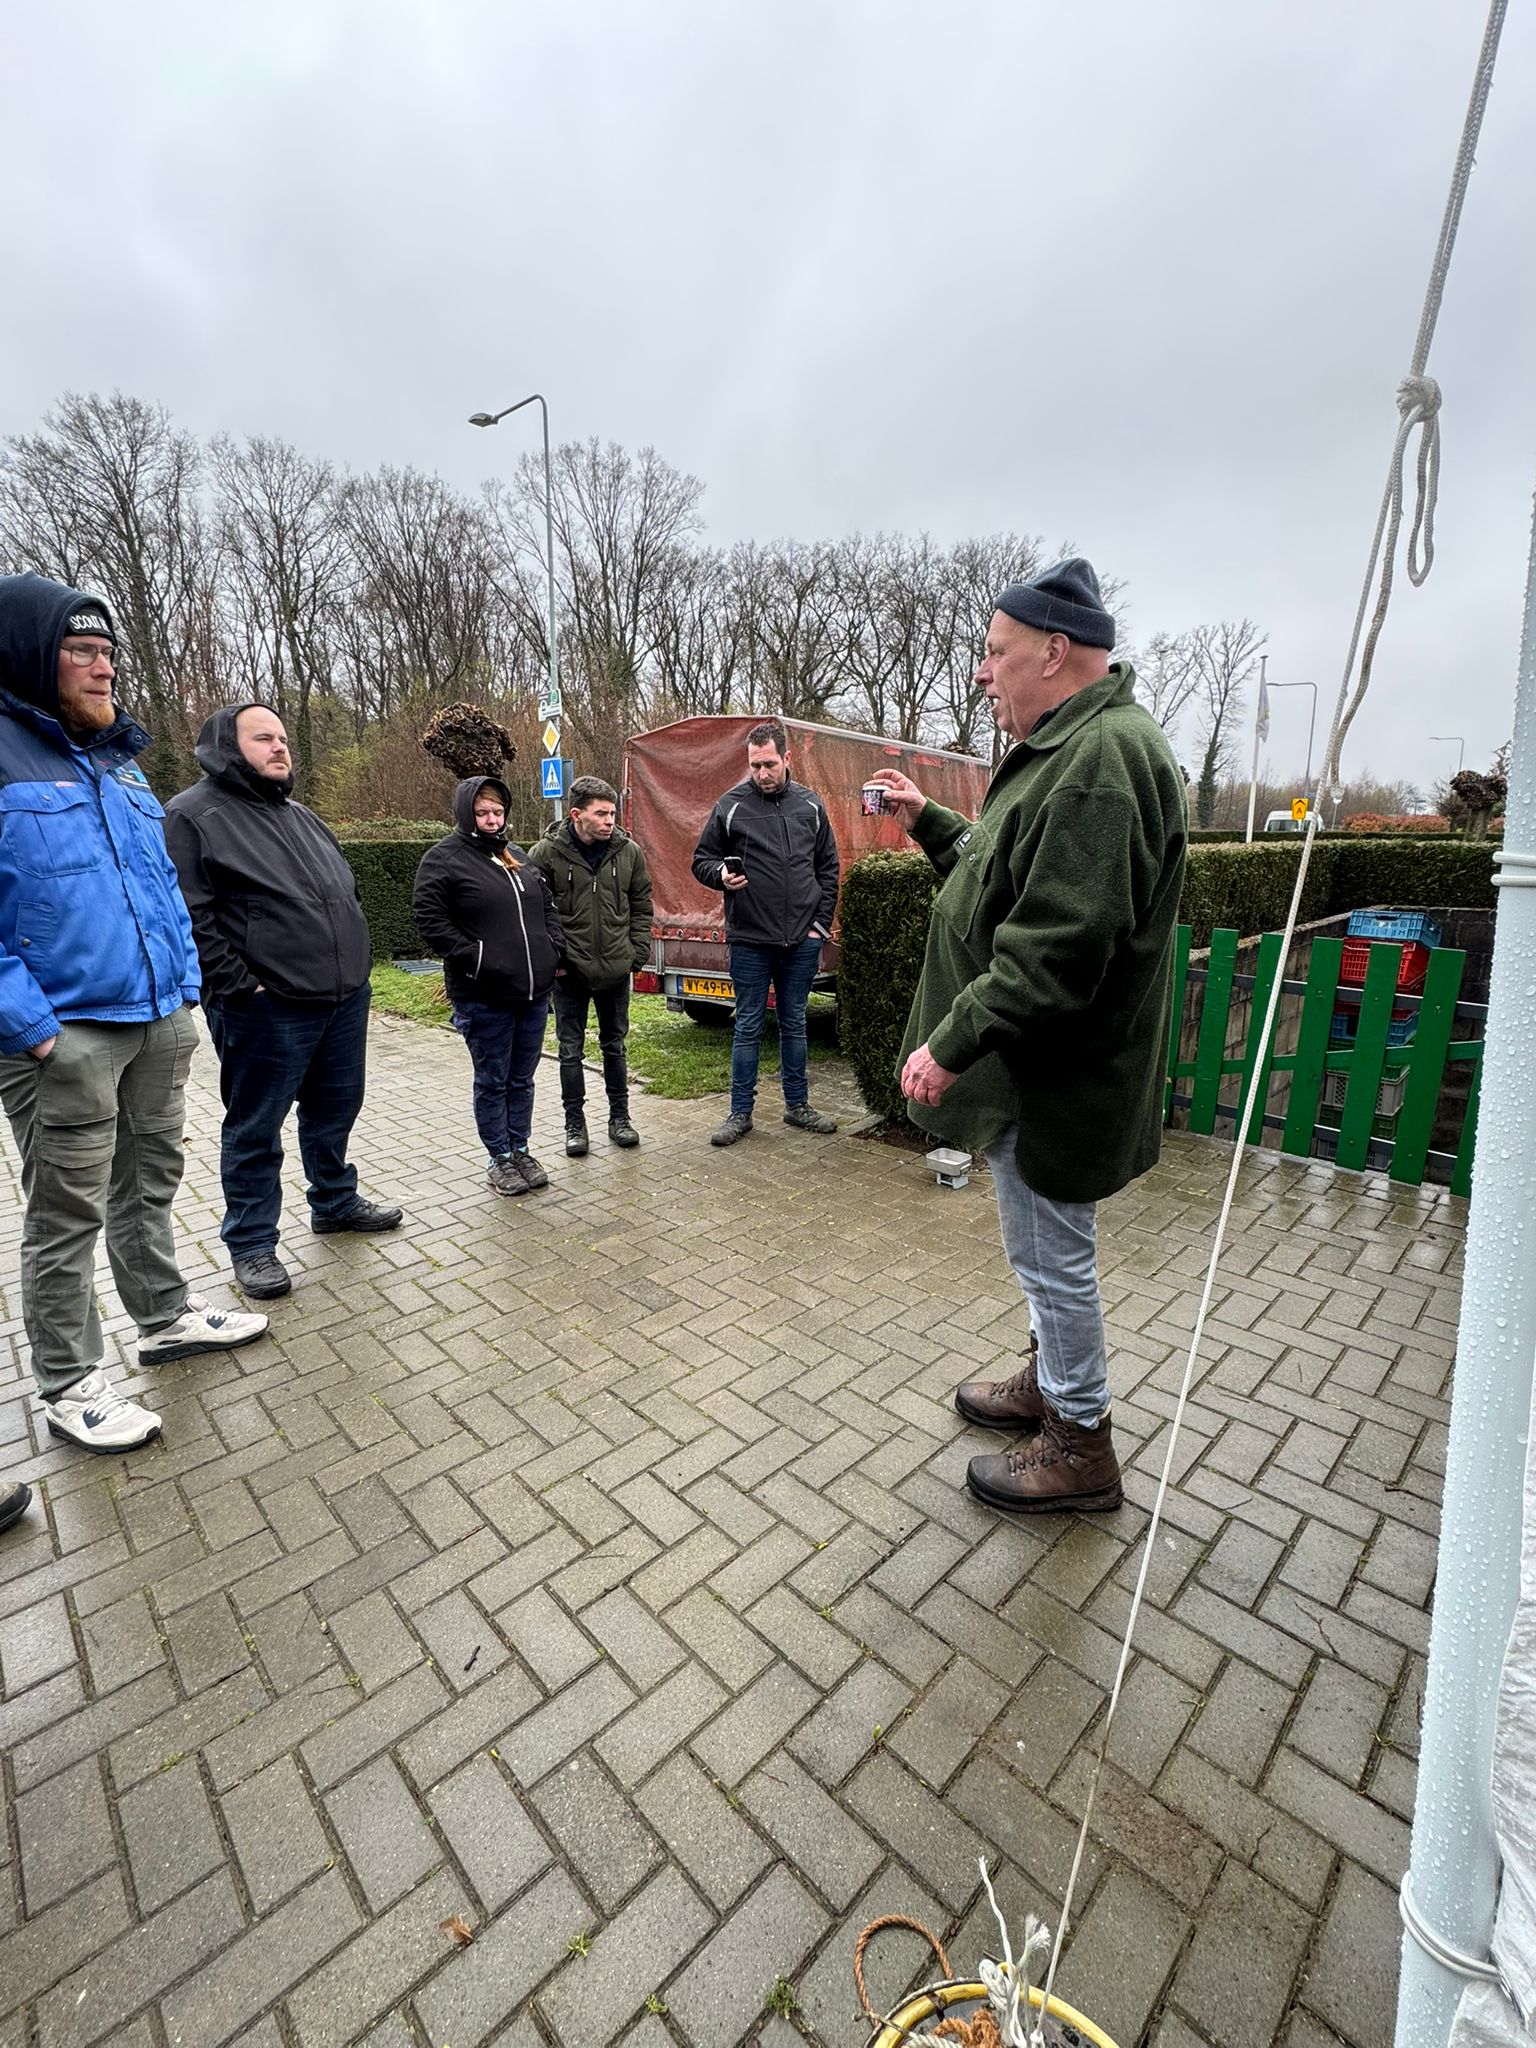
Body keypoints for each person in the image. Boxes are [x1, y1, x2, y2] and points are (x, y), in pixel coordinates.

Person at [875, 558, 1187, 1516]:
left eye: (995, 652)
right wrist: (930, 821)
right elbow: (1004, 873)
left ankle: (1081, 1441)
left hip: (1053, 1079)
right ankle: (1053, 1384)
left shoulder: (1099, 765)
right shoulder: (1074, 746)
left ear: (1054, 653)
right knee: (1043, 1257)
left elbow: (1057, 949)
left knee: (1053, 1261)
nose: (982, 672)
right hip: (1037, 1072)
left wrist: (950, 1043)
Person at [0, 575, 268, 1452]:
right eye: (80, 651)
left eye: (108, 652)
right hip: (63, 1034)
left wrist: (184, 991)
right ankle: (69, 1381)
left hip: (155, 1018)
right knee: (64, 1213)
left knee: (149, 1181)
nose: (104, 667)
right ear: (28, 658)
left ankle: (162, 1318)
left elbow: (158, 887)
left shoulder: (120, 760)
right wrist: (35, 1030)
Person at [163, 704, 401, 1301]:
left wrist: (358, 964)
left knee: (335, 1109)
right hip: (264, 1008)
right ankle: (251, 1242)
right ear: (226, 746)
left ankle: (334, 1201)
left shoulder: (302, 816)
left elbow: (340, 893)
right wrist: (239, 985)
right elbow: (188, 914)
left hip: (343, 998)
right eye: (263, 738)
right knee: (255, 1127)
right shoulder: (192, 815)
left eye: (283, 738)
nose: (279, 747)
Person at [691, 720, 841, 1147]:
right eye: (755, 765)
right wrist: (720, 875)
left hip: (801, 942)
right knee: (748, 1027)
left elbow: (828, 868)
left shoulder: (811, 805)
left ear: (787, 758)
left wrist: (818, 927)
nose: (762, 773)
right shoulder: (730, 805)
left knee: (794, 1024)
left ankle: (798, 1106)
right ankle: (740, 1114)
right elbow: (701, 860)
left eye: (769, 764)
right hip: (750, 941)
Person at [412, 777, 564, 1196]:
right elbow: (429, 920)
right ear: (466, 814)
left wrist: (554, 949)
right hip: (484, 996)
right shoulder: (443, 859)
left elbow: (547, 907)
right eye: (482, 813)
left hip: (532, 994)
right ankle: (498, 1157)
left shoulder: (517, 856)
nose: (492, 819)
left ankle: (520, 1148)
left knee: (522, 1079)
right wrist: (478, 959)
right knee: (493, 1080)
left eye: (497, 812)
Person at [527, 775, 653, 1157]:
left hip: (616, 969)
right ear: (576, 814)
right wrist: (554, 960)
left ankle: (620, 1118)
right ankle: (574, 1124)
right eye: (601, 814)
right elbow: (533, 912)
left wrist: (636, 954)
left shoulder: (629, 852)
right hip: (570, 973)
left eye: (612, 813)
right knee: (570, 1051)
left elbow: (642, 903)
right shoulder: (545, 854)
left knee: (615, 1047)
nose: (609, 820)